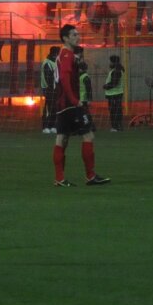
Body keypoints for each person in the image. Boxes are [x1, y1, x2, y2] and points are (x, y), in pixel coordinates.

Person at [51, 24, 110, 187]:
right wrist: (75, 100)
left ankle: (59, 179)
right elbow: (64, 79)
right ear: (65, 38)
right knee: (88, 135)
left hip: (63, 104)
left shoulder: (65, 54)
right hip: (70, 104)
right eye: (74, 34)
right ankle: (90, 176)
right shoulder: (67, 55)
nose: (78, 37)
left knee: (62, 138)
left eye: (78, 34)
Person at [39, 45, 59, 134]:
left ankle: (52, 125)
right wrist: (52, 87)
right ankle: (45, 126)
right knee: (48, 108)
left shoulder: (55, 62)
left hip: (56, 89)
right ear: (55, 54)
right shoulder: (47, 63)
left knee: (55, 107)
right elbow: (48, 77)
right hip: (49, 89)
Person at [104, 54, 125, 132]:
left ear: (113, 63)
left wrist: (106, 86)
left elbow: (114, 83)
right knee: (118, 110)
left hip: (113, 94)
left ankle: (115, 127)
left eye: (110, 62)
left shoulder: (116, 71)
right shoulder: (119, 70)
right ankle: (119, 126)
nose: (109, 64)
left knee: (114, 111)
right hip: (117, 93)